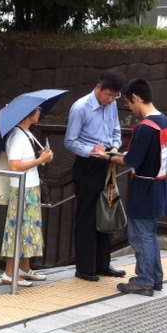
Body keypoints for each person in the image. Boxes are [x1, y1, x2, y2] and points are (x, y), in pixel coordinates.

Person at [94, 79, 167, 296]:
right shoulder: (165, 122)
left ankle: (144, 280)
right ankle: (155, 277)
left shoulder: (145, 128)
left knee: (141, 236)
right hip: (160, 184)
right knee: (150, 234)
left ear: (136, 98)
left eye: (129, 103)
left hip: (144, 187)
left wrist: (107, 156)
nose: (130, 108)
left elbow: (131, 160)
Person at [64, 69, 127, 282]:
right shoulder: (80, 107)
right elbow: (70, 141)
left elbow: (116, 130)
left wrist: (115, 147)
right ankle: (84, 267)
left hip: (108, 160)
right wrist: (91, 151)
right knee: (87, 215)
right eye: (108, 95)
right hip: (88, 163)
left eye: (115, 96)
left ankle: (103, 263)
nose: (111, 100)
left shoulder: (112, 105)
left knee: (107, 209)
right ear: (99, 88)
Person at [1, 107, 53, 287]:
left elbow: (26, 160)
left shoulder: (27, 133)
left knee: (29, 229)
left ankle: (24, 268)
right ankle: (9, 273)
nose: (40, 113)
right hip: (22, 188)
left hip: (30, 186)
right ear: (28, 113)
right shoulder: (17, 136)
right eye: (38, 111)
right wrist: (40, 161)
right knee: (17, 229)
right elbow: (15, 166)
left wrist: (42, 156)